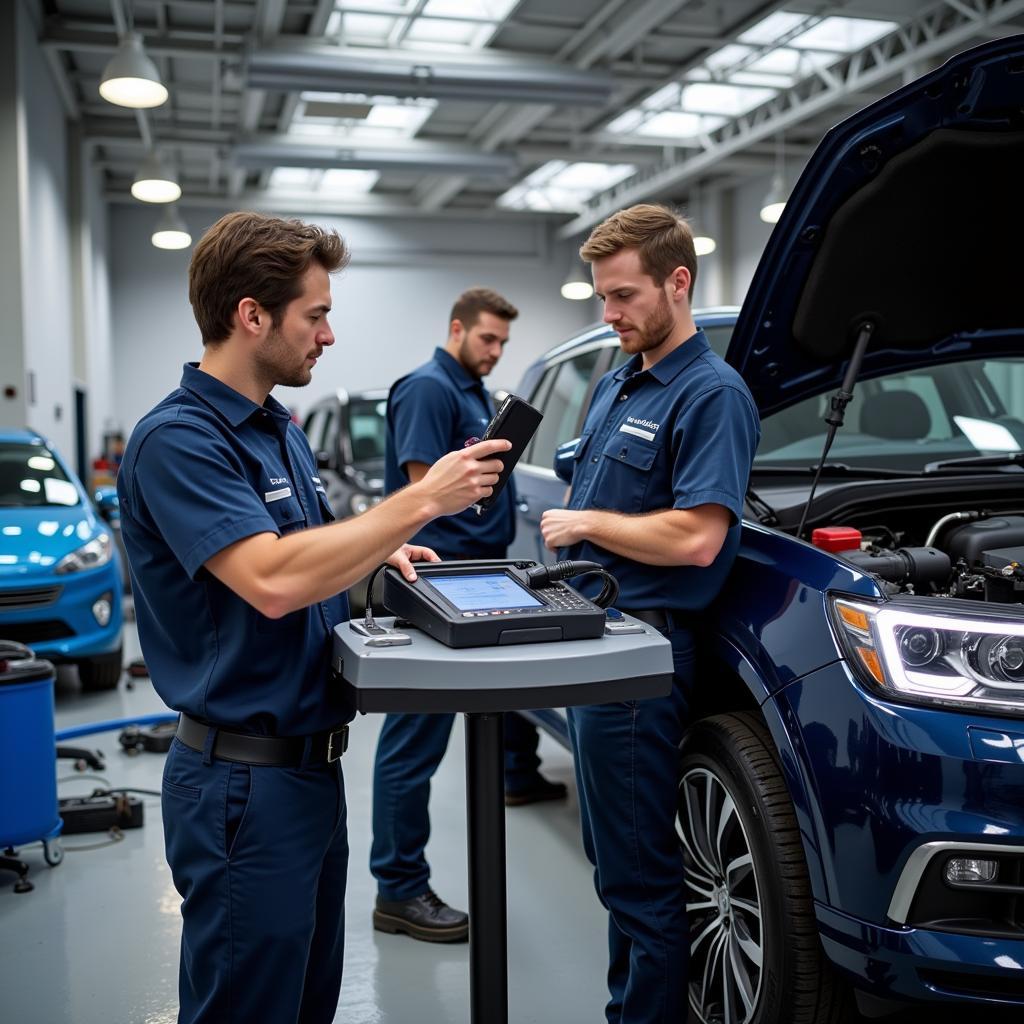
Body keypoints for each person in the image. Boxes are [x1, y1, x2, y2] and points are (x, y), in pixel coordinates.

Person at [116, 212, 511, 1024]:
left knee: (306, 1005)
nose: (329, 336)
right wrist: (420, 502)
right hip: (241, 785)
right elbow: (267, 579)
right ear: (251, 315)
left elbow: (311, 547)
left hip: (309, 773)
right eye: (316, 315)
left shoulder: (279, 432)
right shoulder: (179, 441)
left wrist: (377, 555)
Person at [540, 204, 761, 1024]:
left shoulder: (711, 395)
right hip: (592, 645)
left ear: (679, 282)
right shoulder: (616, 382)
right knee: (614, 862)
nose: (609, 314)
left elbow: (701, 537)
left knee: (639, 877)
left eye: (624, 296)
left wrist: (589, 525)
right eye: (601, 297)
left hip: (641, 659)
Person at [370, 287, 567, 943]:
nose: (495, 352)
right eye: (487, 339)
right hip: (438, 572)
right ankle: (398, 889)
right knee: (415, 739)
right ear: (457, 329)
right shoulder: (428, 388)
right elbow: (426, 491)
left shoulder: (478, 392)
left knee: (485, 714)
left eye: (504, 343)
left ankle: (516, 774)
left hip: (480, 571)